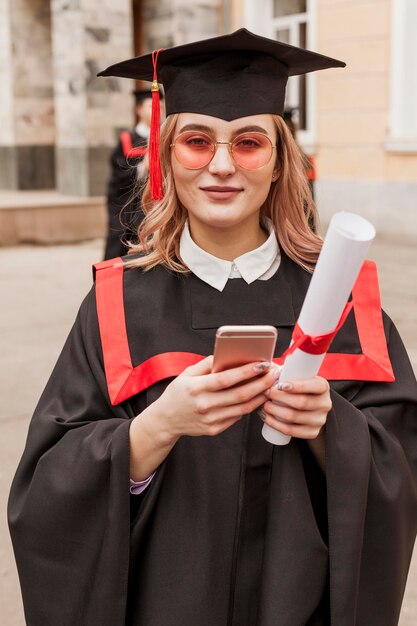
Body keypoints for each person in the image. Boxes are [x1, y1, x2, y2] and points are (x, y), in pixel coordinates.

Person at [8, 29, 417, 626]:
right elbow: (46, 491)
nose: (222, 165)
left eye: (249, 142)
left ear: (280, 162)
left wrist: (333, 428)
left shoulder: (345, 300)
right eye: (197, 141)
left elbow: (399, 468)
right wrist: (156, 428)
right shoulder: (118, 302)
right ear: (167, 157)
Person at [103, 89, 165, 260]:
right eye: (152, 106)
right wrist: (143, 167)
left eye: (160, 106)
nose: (157, 111)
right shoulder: (127, 140)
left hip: (158, 206)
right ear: (138, 109)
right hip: (130, 205)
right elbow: (117, 175)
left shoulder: (166, 138)